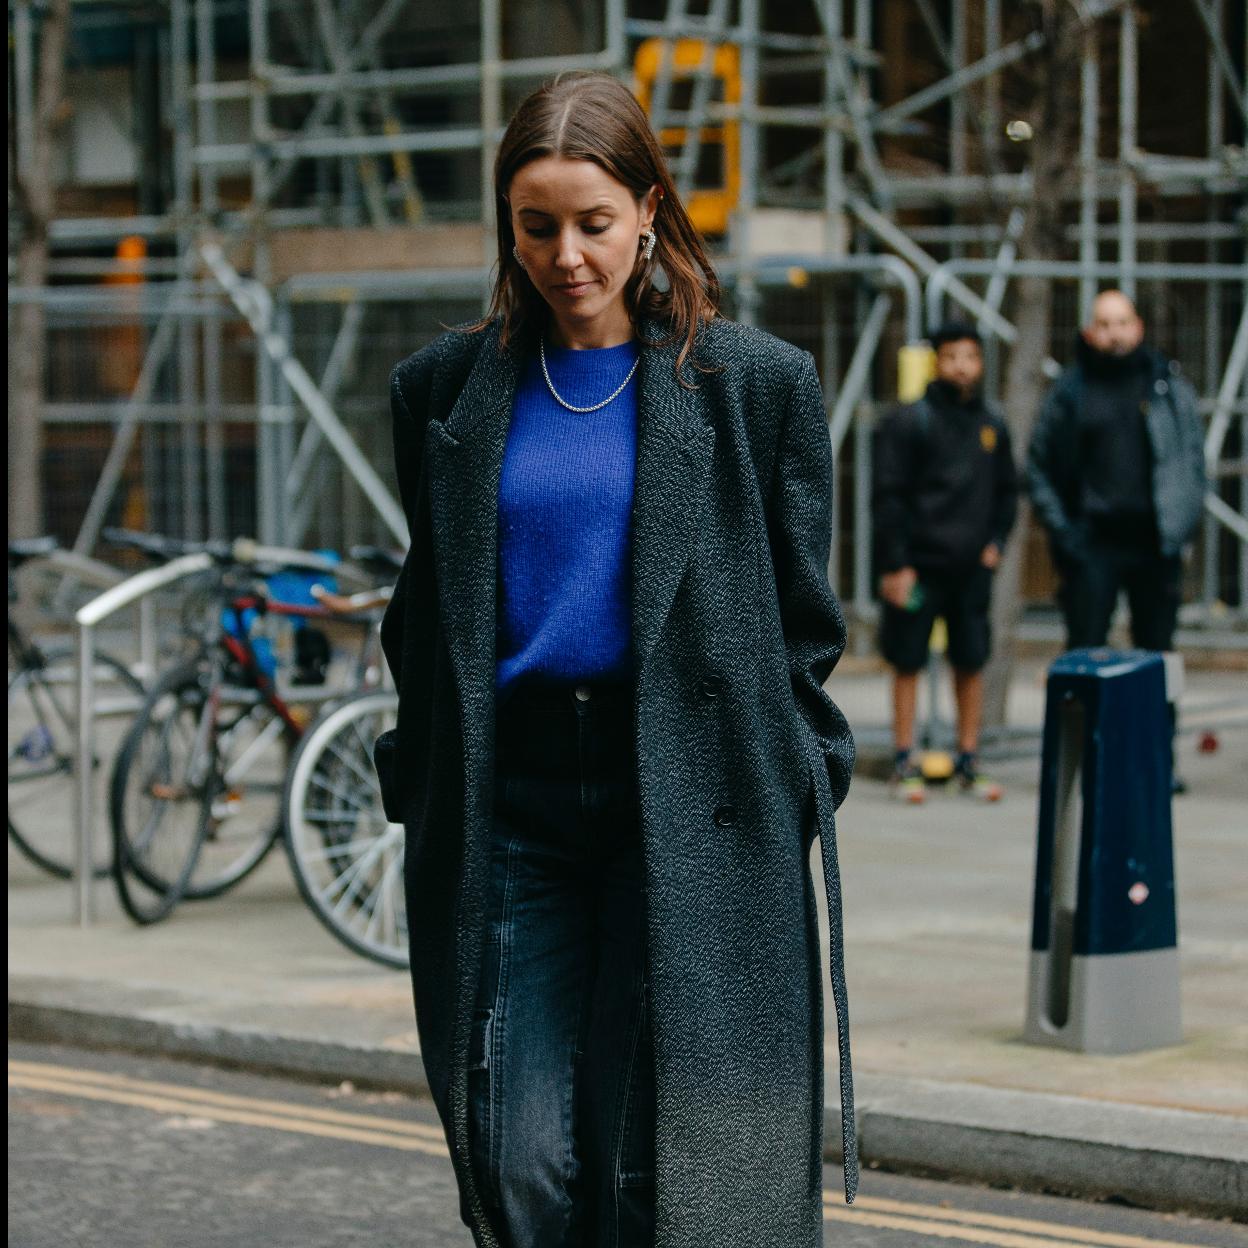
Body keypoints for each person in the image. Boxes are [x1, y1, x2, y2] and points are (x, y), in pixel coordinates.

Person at [371, 72, 857, 1248]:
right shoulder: (442, 389)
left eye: (593, 222)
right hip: (513, 807)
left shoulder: (755, 387)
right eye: (535, 225)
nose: (566, 255)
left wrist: (797, 771)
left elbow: (807, 624)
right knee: (515, 1157)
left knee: (657, 1169)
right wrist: (421, 774)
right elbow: (424, 613)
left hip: (686, 801)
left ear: (648, 210)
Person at [871, 322, 1018, 803]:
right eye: (952, 356)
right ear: (937, 361)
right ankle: (904, 760)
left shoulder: (993, 424)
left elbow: (1008, 491)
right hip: (918, 567)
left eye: (970, 357)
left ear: (981, 362)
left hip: (971, 569)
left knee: (970, 661)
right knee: (907, 660)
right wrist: (897, 564)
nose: (962, 366)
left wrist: (995, 544)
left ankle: (968, 760)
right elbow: (889, 497)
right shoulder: (909, 422)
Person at [1027, 289, 1206, 654]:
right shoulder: (1069, 392)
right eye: (1105, 324)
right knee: (1084, 652)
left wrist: (1182, 524)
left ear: (1138, 327)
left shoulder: (1165, 386)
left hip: (1155, 542)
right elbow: (1038, 464)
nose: (1115, 333)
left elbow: (1192, 461)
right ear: (1090, 332)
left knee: (1156, 655)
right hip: (1091, 542)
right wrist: (1064, 531)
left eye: (1122, 323)